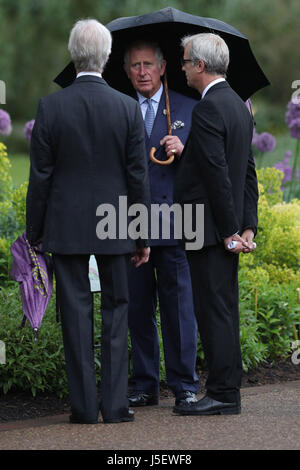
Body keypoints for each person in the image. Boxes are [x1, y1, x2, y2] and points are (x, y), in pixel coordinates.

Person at [26, 19, 150, 424]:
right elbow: (137, 176)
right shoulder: (127, 107)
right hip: (116, 223)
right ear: (108, 56)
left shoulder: (51, 106)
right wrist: (141, 234)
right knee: (117, 310)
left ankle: (82, 407)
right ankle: (115, 407)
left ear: (72, 53)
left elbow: (40, 177)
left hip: (67, 226)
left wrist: (34, 233)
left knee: (76, 313)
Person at [173, 33, 258, 415]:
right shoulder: (239, 107)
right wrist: (247, 227)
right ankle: (227, 391)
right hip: (223, 229)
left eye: (186, 61)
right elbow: (248, 174)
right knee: (223, 308)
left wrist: (228, 232)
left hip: (207, 231)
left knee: (213, 310)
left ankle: (223, 393)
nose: (183, 67)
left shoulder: (207, 110)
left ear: (201, 66)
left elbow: (217, 175)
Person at [123, 40, 199, 408]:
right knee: (137, 307)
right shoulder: (118, 109)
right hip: (130, 224)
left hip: (175, 222)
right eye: (135, 66)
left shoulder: (188, 108)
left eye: (148, 64)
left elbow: (209, 166)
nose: (142, 72)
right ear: (126, 72)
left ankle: (184, 382)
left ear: (164, 66)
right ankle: (145, 383)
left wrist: (185, 151)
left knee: (178, 306)